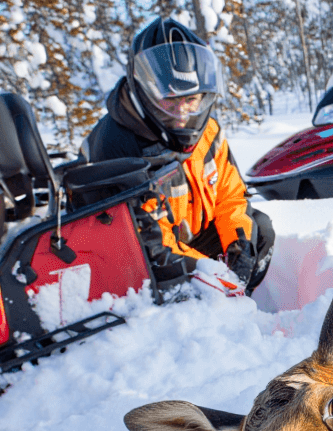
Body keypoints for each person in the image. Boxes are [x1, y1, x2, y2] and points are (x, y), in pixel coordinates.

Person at [83, 17, 275, 295]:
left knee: (259, 233)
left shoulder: (207, 130)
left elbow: (230, 195)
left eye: (191, 100)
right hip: (141, 260)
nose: (183, 113)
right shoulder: (116, 147)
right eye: (170, 102)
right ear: (146, 93)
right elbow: (147, 243)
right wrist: (214, 274)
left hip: (190, 238)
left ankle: (240, 306)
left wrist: (239, 246)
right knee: (185, 282)